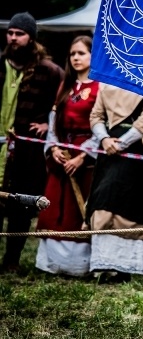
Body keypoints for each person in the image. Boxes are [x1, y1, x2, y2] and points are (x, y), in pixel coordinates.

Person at [0, 12, 65, 273]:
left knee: (20, 205)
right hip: (0, 147)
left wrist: (51, 123)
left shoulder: (49, 71)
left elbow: (65, 102)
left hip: (27, 150)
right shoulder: (0, 63)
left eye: (20, 34)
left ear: (31, 38)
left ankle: (12, 260)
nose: (13, 38)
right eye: (11, 32)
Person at [84, 82, 143, 282]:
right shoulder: (108, 84)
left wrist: (120, 143)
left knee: (132, 212)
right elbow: (96, 115)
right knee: (103, 206)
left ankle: (142, 267)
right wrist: (104, 139)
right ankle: (110, 268)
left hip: (139, 155)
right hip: (110, 154)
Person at [35, 35, 99, 277]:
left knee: (77, 211)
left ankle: (79, 267)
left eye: (81, 53)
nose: (75, 58)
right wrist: (52, 148)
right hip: (61, 154)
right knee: (54, 207)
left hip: (86, 159)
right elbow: (53, 122)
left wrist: (82, 156)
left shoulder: (99, 87)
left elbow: (101, 124)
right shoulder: (65, 85)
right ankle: (51, 263)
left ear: (93, 56)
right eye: (73, 54)